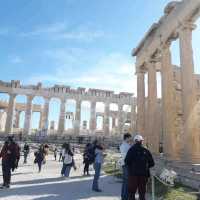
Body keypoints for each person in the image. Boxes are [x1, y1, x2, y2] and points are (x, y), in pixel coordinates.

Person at [125, 135, 155, 200]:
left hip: (133, 174)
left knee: (132, 192)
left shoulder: (131, 150)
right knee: (142, 192)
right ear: (141, 141)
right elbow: (152, 163)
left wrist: (131, 167)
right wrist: (145, 167)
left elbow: (126, 161)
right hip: (143, 175)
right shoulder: (146, 151)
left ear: (135, 141)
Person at [120, 133, 132, 200]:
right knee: (127, 182)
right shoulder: (127, 146)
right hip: (127, 164)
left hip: (123, 164)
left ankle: (123, 196)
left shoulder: (122, 145)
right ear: (127, 138)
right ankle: (125, 197)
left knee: (125, 181)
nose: (130, 139)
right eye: (130, 138)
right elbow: (128, 156)